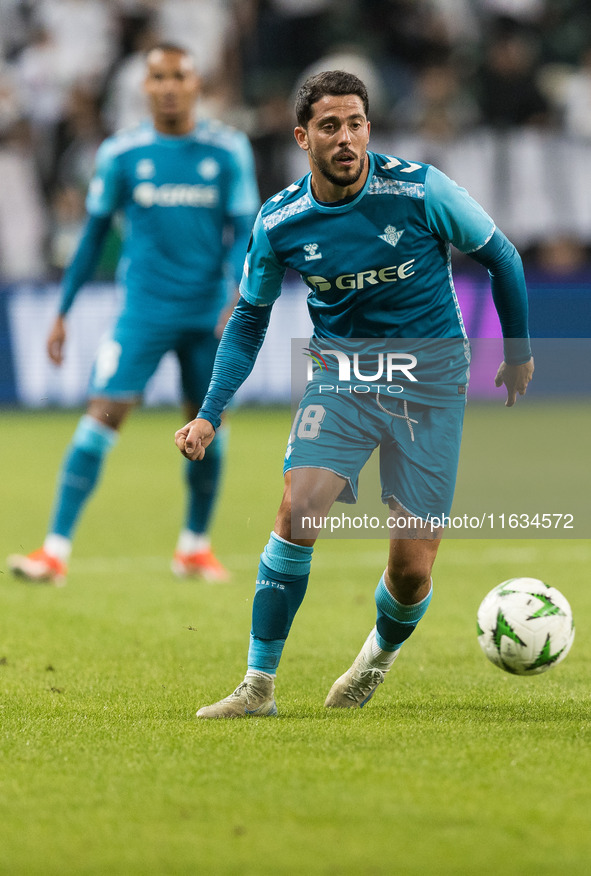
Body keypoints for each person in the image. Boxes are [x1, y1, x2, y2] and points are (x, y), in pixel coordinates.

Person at [174, 70, 534, 718]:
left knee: (410, 571)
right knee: (298, 509)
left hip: (429, 378)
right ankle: (258, 686)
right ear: (301, 136)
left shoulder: (420, 189)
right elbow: (249, 318)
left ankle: (374, 661)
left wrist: (516, 352)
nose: (346, 138)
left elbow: (501, 257)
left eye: (356, 123)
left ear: (369, 126)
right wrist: (209, 412)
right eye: (330, 126)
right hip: (343, 376)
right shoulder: (281, 219)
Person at [8, 43, 260, 586]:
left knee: (206, 426)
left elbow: (244, 229)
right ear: (143, 88)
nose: (168, 86)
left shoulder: (228, 150)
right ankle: (54, 551)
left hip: (205, 315)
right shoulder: (122, 153)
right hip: (142, 313)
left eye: (178, 76)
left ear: (197, 85)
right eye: (157, 77)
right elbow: (94, 231)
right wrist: (63, 310)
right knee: (101, 416)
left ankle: (194, 547)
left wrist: (241, 288)